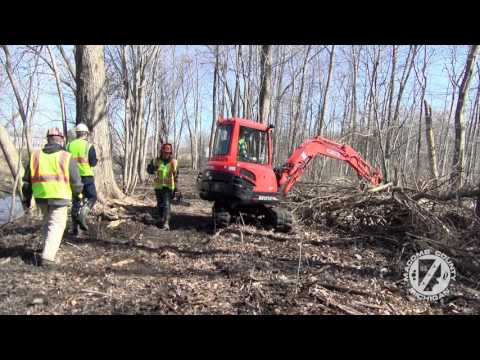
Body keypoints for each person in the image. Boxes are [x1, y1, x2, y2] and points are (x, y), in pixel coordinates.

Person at [22, 128, 83, 268]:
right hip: (60, 197)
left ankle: (46, 249)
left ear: (47, 139)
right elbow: (76, 182)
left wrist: (26, 199)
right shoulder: (66, 156)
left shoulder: (35, 156)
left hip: (41, 198)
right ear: (61, 139)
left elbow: (26, 182)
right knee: (56, 225)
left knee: (47, 223)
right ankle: (48, 258)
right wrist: (78, 196)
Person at [66, 123, 98, 235]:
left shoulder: (69, 146)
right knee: (92, 197)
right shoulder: (88, 146)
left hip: (73, 178)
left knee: (76, 201)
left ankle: (75, 230)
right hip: (86, 177)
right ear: (86, 134)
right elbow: (93, 163)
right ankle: (83, 214)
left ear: (77, 133)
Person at [147, 143, 178, 230]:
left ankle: (166, 223)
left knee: (166, 204)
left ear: (170, 153)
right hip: (158, 186)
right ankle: (160, 219)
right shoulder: (156, 161)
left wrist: (176, 188)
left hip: (168, 187)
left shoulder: (173, 162)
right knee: (160, 204)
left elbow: (176, 175)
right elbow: (149, 169)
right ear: (161, 152)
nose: (166, 154)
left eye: (168, 152)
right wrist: (152, 170)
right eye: (165, 152)